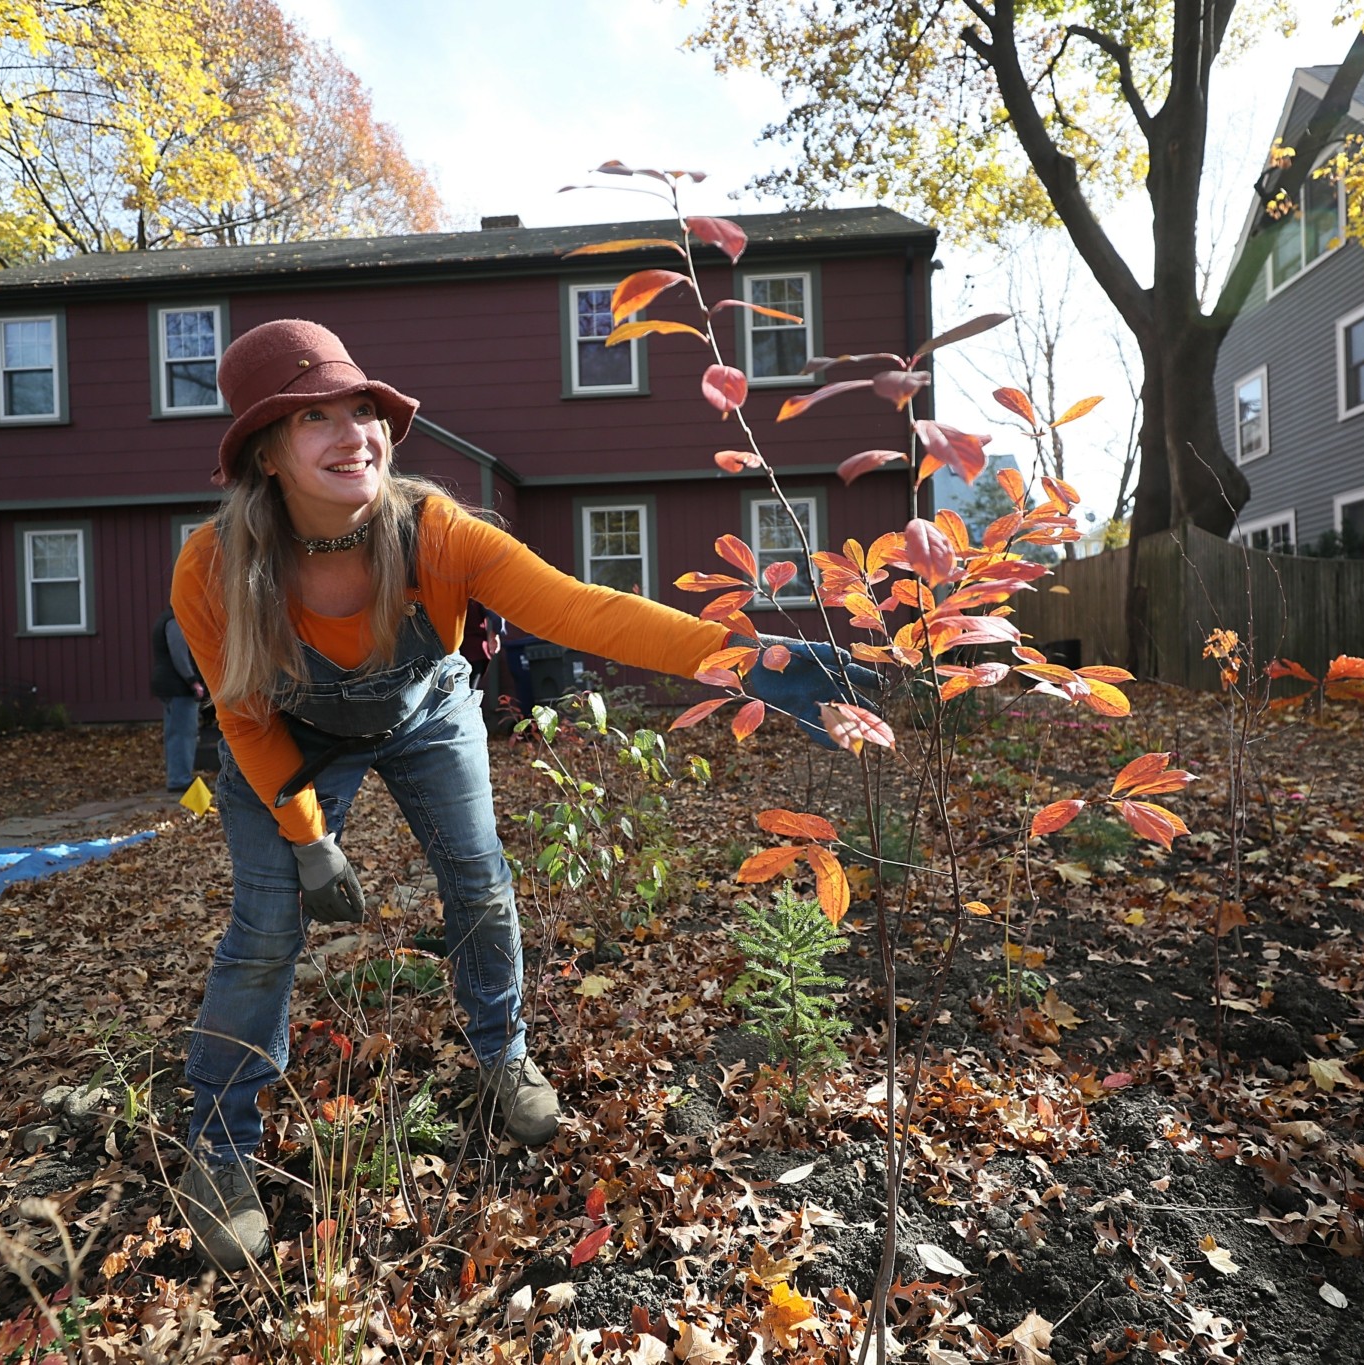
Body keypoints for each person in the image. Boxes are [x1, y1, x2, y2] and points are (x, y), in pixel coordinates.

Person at [167, 318, 876, 1272]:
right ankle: (217, 1145)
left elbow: (588, 610)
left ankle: (502, 1055)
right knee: (264, 929)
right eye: (315, 418)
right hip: (288, 741)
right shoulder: (212, 570)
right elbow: (245, 717)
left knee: (481, 884)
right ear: (266, 450)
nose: (354, 434)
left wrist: (766, 660)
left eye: (363, 410)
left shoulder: (436, 532)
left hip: (426, 714)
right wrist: (308, 839)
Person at [150, 606, 205, 793]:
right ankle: (180, 779)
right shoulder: (175, 620)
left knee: (175, 732)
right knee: (183, 733)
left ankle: (178, 776)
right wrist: (193, 681)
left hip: (168, 684)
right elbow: (179, 653)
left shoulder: (165, 618)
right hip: (177, 686)